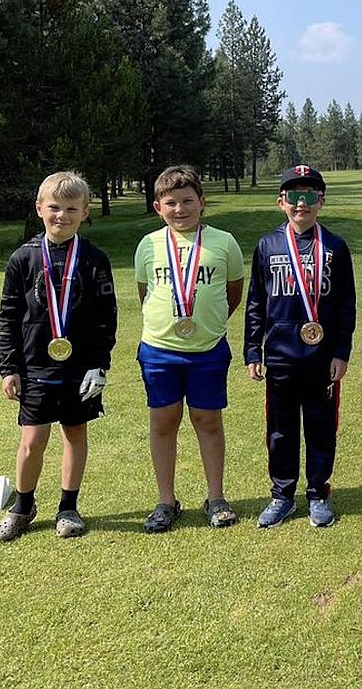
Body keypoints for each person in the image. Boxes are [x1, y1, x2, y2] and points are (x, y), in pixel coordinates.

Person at [0, 171, 117, 542]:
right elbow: (8, 316)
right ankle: (23, 507)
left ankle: (68, 507)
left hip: (80, 369)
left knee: (75, 433)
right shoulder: (23, 258)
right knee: (32, 440)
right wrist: (9, 367)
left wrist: (100, 364)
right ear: (39, 209)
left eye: (71, 209)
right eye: (54, 208)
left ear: (85, 212)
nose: (61, 215)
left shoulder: (94, 259)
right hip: (34, 366)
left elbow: (105, 317)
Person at [135, 165, 245, 533]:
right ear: (157, 207)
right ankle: (166, 501)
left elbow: (233, 294)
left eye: (187, 201)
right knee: (164, 423)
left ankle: (216, 498)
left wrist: (207, 324)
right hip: (159, 350)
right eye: (171, 203)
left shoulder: (224, 242)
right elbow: (144, 293)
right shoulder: (148, 245)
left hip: (208, 349)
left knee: (208, 422)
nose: (179, 209)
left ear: (202, 203)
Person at [245, 165, 356, 529]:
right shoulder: (267, 245)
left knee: (322, 427)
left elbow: (345, 304)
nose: (301, 203)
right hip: (280, 357)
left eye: (309, 195)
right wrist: (252, 350)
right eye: (294, 195)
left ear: (321, 201)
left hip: (322, 359)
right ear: (281, 202)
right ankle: (282, 495)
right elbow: (256, 303)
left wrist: (341, 351)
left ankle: (318, 494)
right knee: (280, 429)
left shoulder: (336, 247)